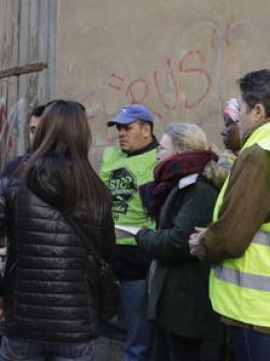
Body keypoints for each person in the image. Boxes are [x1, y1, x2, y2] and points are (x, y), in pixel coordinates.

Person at [0, 100, 117, 361]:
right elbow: (108, 253)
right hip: (76, 324)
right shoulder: (96, 191)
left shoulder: (14, 183)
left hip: (24, 323)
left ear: (45, 131)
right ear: (82, 135)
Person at [188, 70, 270, 361]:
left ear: (258, 111)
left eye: (242, 110)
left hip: (259, 312)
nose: (237, 120)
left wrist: (204, 242)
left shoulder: (260, 152)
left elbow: (232, 237)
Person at [134, 123, 227, 361]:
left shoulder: (199, 189)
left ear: (181, 151)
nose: (158, 155)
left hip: (188, 307)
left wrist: (142, 236)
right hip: (175, 304)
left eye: (162, 149)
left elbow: (178, 241)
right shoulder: (181, 183)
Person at [100, 103, 160, 361]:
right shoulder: (111, 156)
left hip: (139, 258)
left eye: (128, 128)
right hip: (108, 255)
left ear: (146, 130)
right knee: (105, 328)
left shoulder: (158, 159)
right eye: (119, 128)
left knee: (138, 338)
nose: (121, 133)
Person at [0, 101, 53, 179]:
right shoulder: (14, 168)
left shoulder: (64, 169)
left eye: (42, 130)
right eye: (33, 131)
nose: (36, 136)